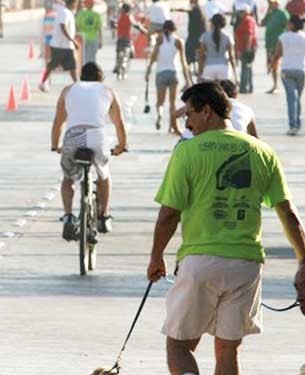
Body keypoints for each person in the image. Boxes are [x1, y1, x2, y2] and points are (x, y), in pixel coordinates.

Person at [146, 82, 305, 375]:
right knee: (228, 350)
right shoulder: (262, 151)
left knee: (178, 344)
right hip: (246, 263)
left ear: (207, 110)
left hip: (200, 260)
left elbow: (169, 213)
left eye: (189, 114)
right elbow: (288, 213)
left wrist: (156, 257)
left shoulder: (188, 152)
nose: (186, 123)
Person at [50, 62, 128, 238]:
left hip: (73, 136)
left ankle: (69, 216)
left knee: (68, 177)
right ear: (100, 78)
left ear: (81, 76)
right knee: (104, 174)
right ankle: (104, 215)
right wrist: (121, 146)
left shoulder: (68, 90)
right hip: (96, 136)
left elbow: (58, 121)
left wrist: (55, 145)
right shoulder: (107, 91)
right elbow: (119, 123)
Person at [272, 14, 305, 135]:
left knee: (291, 98)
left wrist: (272, 66)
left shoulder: (282, 37)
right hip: (302, 71)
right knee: (296, 98)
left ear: (292, 24)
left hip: (286, 71)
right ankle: (297, 123)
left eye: (288, 22)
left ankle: (293, 125)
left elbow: (277, 55)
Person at [147, 20, 192, 133]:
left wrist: (148, 70)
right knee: (172, 103)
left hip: (161, 73)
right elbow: (183, 61)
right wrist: (188, 79)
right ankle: (172, 127)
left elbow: (154, 56)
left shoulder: (159, 39)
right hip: (174, 73)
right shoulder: (178, 41)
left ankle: (160, 114)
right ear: (174, 29)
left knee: (160, 101)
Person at [41, 0, 79, 91]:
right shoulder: (64, 12)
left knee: (72, 66)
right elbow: (63, 26)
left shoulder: (67, 12)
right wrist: (72, 40)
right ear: (72, 3)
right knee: (53, 65)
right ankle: (42, 83)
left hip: (65, 45)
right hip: (60, 45)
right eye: (75, 3)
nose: (76, 5)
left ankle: (77, 84)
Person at [198, 14, 238, 83]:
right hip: (224, 67)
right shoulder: (228, 36)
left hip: (209, 67)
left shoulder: (205, 36)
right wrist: (236, 75)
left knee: (210, 92)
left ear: (212, 22)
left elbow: (201, 56)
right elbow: (232, 57)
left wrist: (199, 73)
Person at [261, 0, 289, 94]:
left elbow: (288, 26)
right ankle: (275, 85)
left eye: (271, 3)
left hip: (278, 44)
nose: (270, 4)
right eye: (269, 3)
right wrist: (267, 12)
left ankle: (278, 85)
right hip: (269, 43)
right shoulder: (270, 13)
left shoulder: (283, 13)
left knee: (276, 64)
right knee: (272, 66)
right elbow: (262, 23)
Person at [172, 0, 206, 76]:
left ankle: (189, 72)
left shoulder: (194, 7)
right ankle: (196, 70)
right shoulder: (200, 9)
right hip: (198, 36)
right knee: (197, 54)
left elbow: (186, 9)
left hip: (194, 36)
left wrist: (175, 9)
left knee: (188, 54)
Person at [234, 8, 257, 93]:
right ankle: (249, 87)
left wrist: (247, 49)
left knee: (245, 67)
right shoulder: (245, 20)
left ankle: (244, 87)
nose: (239, 13)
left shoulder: (247, 20)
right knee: (247, 67)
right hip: (245, 47)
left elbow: (249, 34)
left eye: (241, 12)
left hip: (246, 47)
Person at [75, 0, 103, 64]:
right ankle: (91, 72)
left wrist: (76, 40)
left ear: (85, 4)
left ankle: (85, 72)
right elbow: (99, 29)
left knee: (84, 58)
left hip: (83, 39)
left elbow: (77, 28)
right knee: (92, 58)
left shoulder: (81, 14)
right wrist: (101, 41)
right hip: (94, 39)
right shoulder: (96, 15)